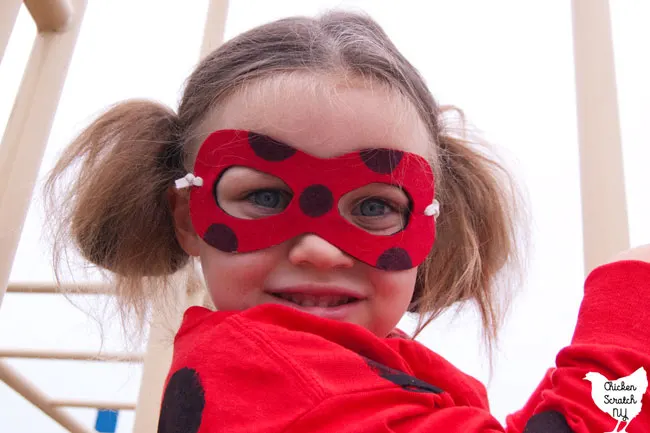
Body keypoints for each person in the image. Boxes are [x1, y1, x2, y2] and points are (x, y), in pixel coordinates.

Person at [44, 10, 650, 433]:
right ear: (188, 218)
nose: (319, 250)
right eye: (263, 197)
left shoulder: (344, 375)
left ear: (430, 227)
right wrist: (633, 307)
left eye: (374, 207)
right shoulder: (271, 380)